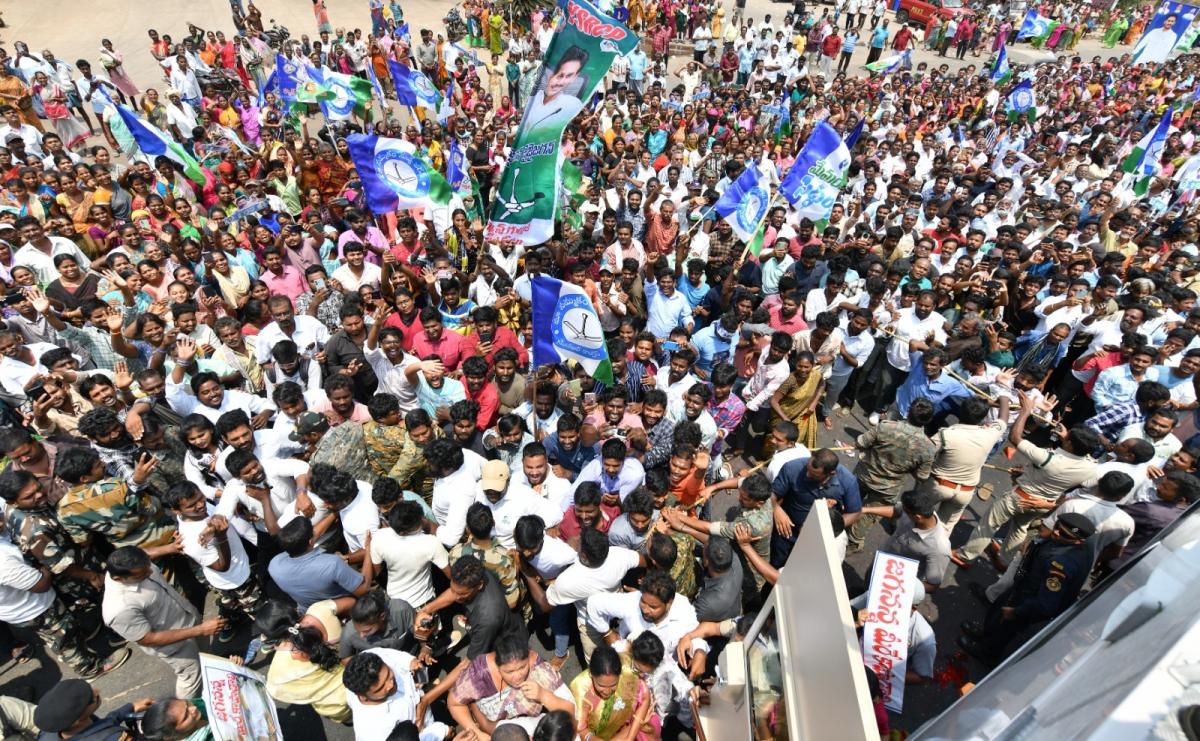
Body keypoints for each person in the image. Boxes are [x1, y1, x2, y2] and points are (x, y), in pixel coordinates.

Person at [958, 512, 1097, 662]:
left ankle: (988, 652)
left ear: (1077, 541)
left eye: (1063, 533)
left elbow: (1045, 604)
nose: (1056, 533)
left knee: (1006, 628)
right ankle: (986, 633)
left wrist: (1017, 612)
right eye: (1057, 527)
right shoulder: (1083, 542)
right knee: (997, 610)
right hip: (1024, 584)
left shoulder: (1061, 565)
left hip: (1029, 598)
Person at [102, 547, 225, 699]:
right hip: (175, 646)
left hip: (189, 618)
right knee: (191, 676)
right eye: (142, 574)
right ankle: (187, 714)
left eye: (148, 567)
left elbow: (145, 555)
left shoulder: (132, 565)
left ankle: (219, 689)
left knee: (207, 658)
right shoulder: (119, 609)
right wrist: (200, 630)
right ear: (119, 579)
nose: (150, 573)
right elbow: (149, 639)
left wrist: (171, 548)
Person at [447, 634, 576, 737]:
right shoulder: (480, 673)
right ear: (497, 666)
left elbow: (570, 711)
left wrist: (543, 695)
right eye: (509, 671)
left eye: (522, 667)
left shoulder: (539, 669)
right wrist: (478, 733)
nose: (517, 676)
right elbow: (454, 703)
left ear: (529, 659)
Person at [343, 648, 451, 741]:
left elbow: (393, 656)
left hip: (427, 711)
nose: (390, 685)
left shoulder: (371, 657)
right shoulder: (372, 732)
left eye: (389, 674)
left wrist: (411, 662)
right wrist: (440, 732)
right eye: (381, 688)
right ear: (362, 697)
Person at [569, 645, 659, 740]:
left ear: (620, 674)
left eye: (613, 685)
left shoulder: (627, 668)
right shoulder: (580, 688)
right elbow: (580, 730)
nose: (607, 692)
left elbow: (644, 697)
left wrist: (631, 735)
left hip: (626, 727)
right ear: (591, 674)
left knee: (650, 720)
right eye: (601, 686)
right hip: (598, 737)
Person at [33, 679, 153, 741]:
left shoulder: (53, 730)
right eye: (91, 698)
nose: (97, 691)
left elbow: (100, 726)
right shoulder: (113, 738)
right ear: (77, 721)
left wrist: (128, 708)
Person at [524, 47, 587, 134]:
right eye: (560, 75)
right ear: (551, 75)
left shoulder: (572, 103)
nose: (560, 82)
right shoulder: (534, 97)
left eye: (569, 76)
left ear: (575, 77)